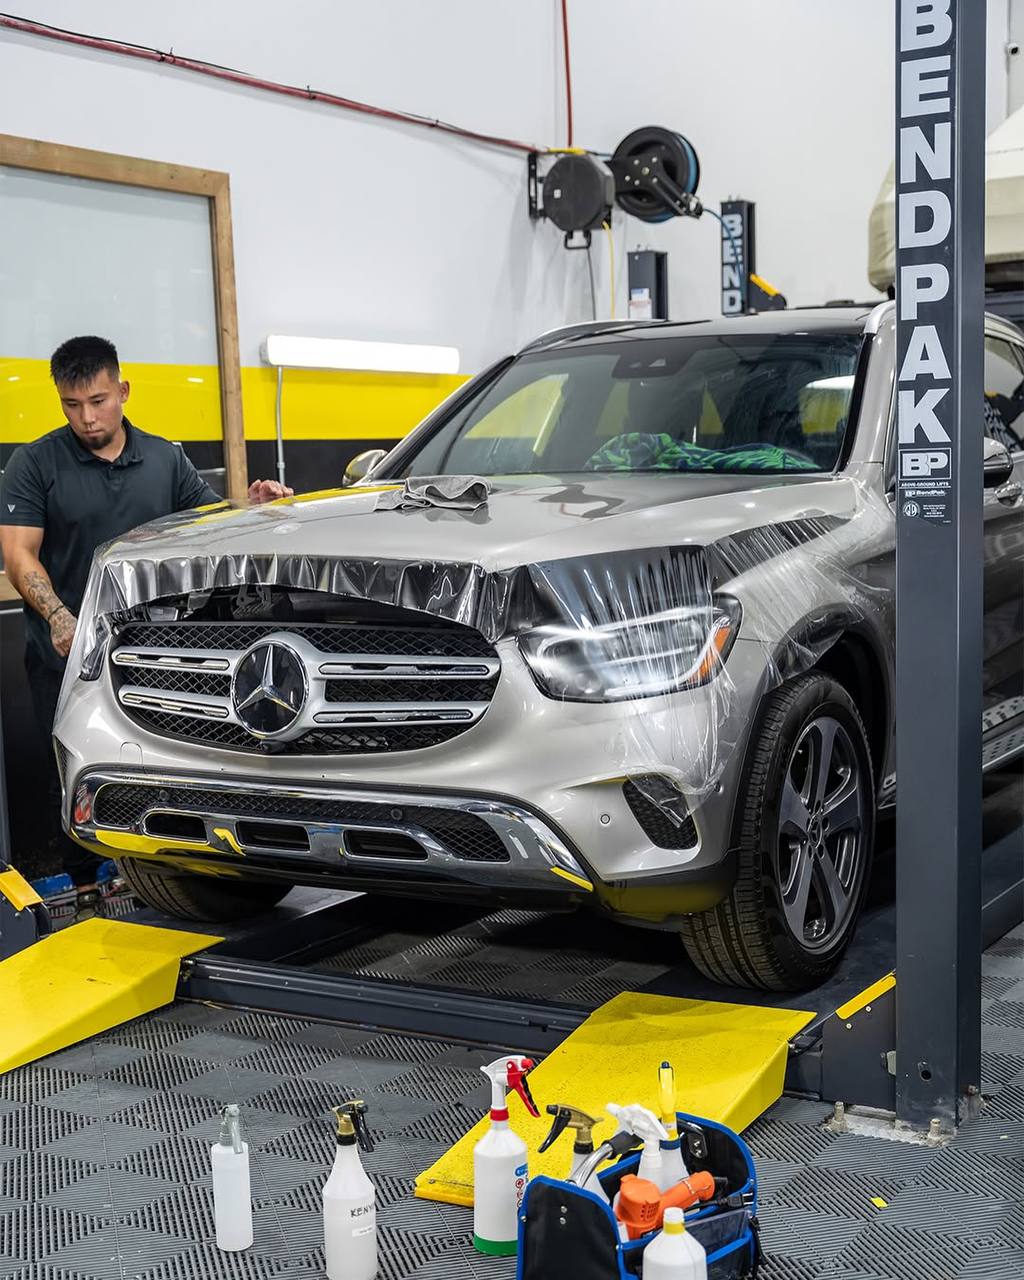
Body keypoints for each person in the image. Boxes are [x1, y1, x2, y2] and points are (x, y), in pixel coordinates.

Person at [0, 335, 292, 920]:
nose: (87, 417)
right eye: (72, 405)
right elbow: (19, 555)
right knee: (75, 766)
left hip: (160, 655)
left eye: (99, 401)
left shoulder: (165, 459)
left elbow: (208, 526)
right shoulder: (35, 463)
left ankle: (166, 868)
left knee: (164, 761)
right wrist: (62, 618)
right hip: (66, 655)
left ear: (123, 392)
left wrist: (254, 504)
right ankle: (84, 888)